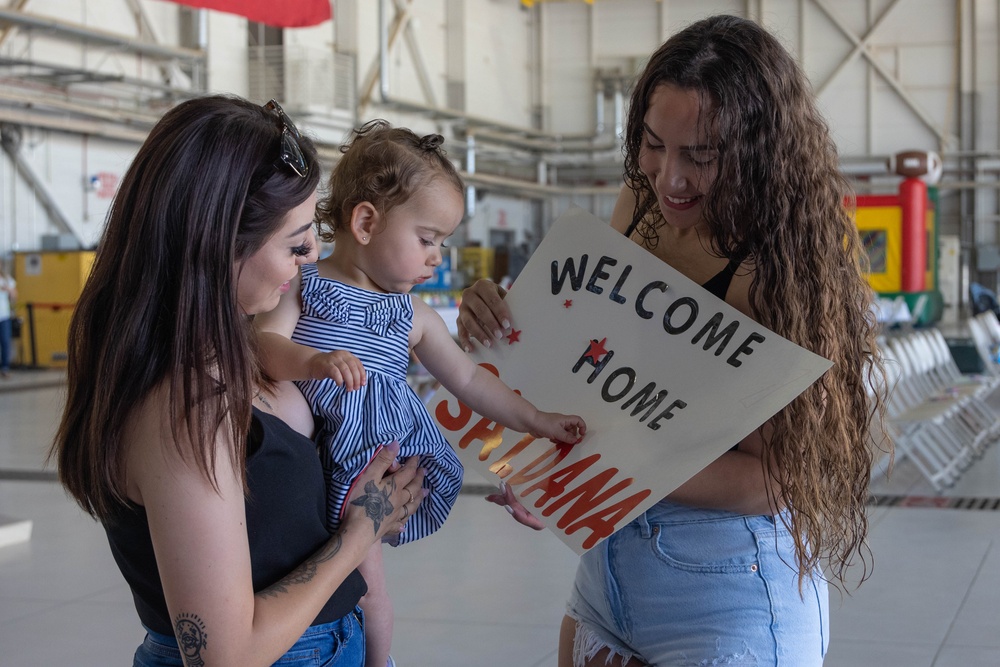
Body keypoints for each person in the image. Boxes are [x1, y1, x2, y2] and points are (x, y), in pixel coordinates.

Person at [458, 14, 887, 667]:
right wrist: (498, 324)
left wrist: (608, 460)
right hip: (608, 572)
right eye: (655, 144)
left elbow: (776, 480)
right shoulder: (641, 200)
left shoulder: (775, 273)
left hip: (728, 589)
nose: (670, 178)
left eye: (701, 156)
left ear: (757, 149)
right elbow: (593, 356)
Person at [48, 95, 426, 667]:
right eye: (296, 245)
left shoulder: (232, 346)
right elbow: (225, 655)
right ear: (220, 247)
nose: (313, 258)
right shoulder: (184, 407)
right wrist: (360, 535)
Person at [255, 119, 587, 667]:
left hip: (367, 468)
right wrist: (311, 362)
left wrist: (536, 419)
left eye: (441, 244)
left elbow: (470, 380)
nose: (436, 257)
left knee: (372, 590)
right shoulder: (305, 287)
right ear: (365, 222)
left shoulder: (413, 315)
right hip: (301, 465)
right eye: (427, 240)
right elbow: (264, 345)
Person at [0, 257, 15, 378]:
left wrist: (8, 289)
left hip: (4, 315)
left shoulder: (6, 279)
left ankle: (5, 367)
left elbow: (15, 294)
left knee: (5, 341)